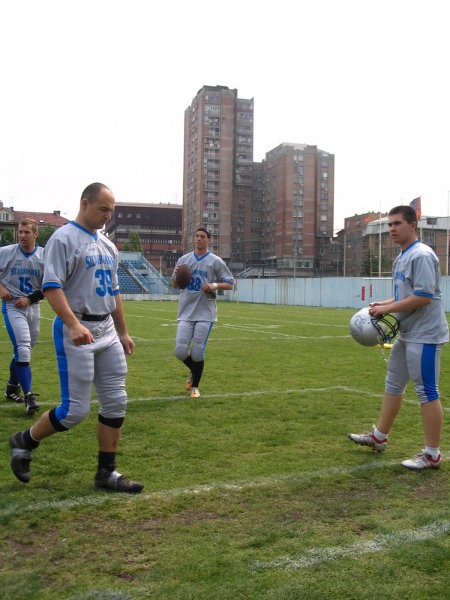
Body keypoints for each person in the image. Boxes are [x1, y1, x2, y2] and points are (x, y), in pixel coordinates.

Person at [9, 183, 143, 493]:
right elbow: (52, 287)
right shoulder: (63, 239)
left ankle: (106, 472)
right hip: (78, 328)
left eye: (111, 210)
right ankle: (24, 440)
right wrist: (72, 324)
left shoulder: (108, 246)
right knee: (74, 411)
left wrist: (123, 331)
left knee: (116, 401)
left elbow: (115, 292)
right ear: (85, 203)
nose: (108, 216)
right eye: (103, 209)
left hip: (106, 330)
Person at [348, 205, 449, 470]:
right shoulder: (402, 256)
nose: (391, 229)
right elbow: (408, 294)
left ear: (412, 225)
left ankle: (432, 454)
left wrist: (387, 309)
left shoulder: (422, 255)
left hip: (425, 335)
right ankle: (378, 437)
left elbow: (424, 297)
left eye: (396, 224)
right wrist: (386, 302)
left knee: (427, 391)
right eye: (389, 224)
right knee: (393, 383)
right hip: (408, 333)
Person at [173, 227, 234, 398]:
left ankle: (195, 387)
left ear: (209, 240)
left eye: (202, 237)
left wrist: (213, 285)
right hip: (186, 311)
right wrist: (178, 277)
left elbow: (230, 283)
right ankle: (194, 370)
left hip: (205, 312)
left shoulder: (215, 261)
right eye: (196, 236)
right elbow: (175, 285)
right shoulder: (184, 260)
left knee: (198, 352)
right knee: (179, 351)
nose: (198, 239)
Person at [0, 218, 44, 414]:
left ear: (36, 234)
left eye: (27, 232)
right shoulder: (6, 252)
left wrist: (31, 298)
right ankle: (29, 396)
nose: (23, 235)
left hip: (34, 307)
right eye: (20, 232)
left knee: (23, 351)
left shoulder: (45, 255)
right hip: (13, 306)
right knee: (23, 349)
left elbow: (53, 284)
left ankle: (11, 387)